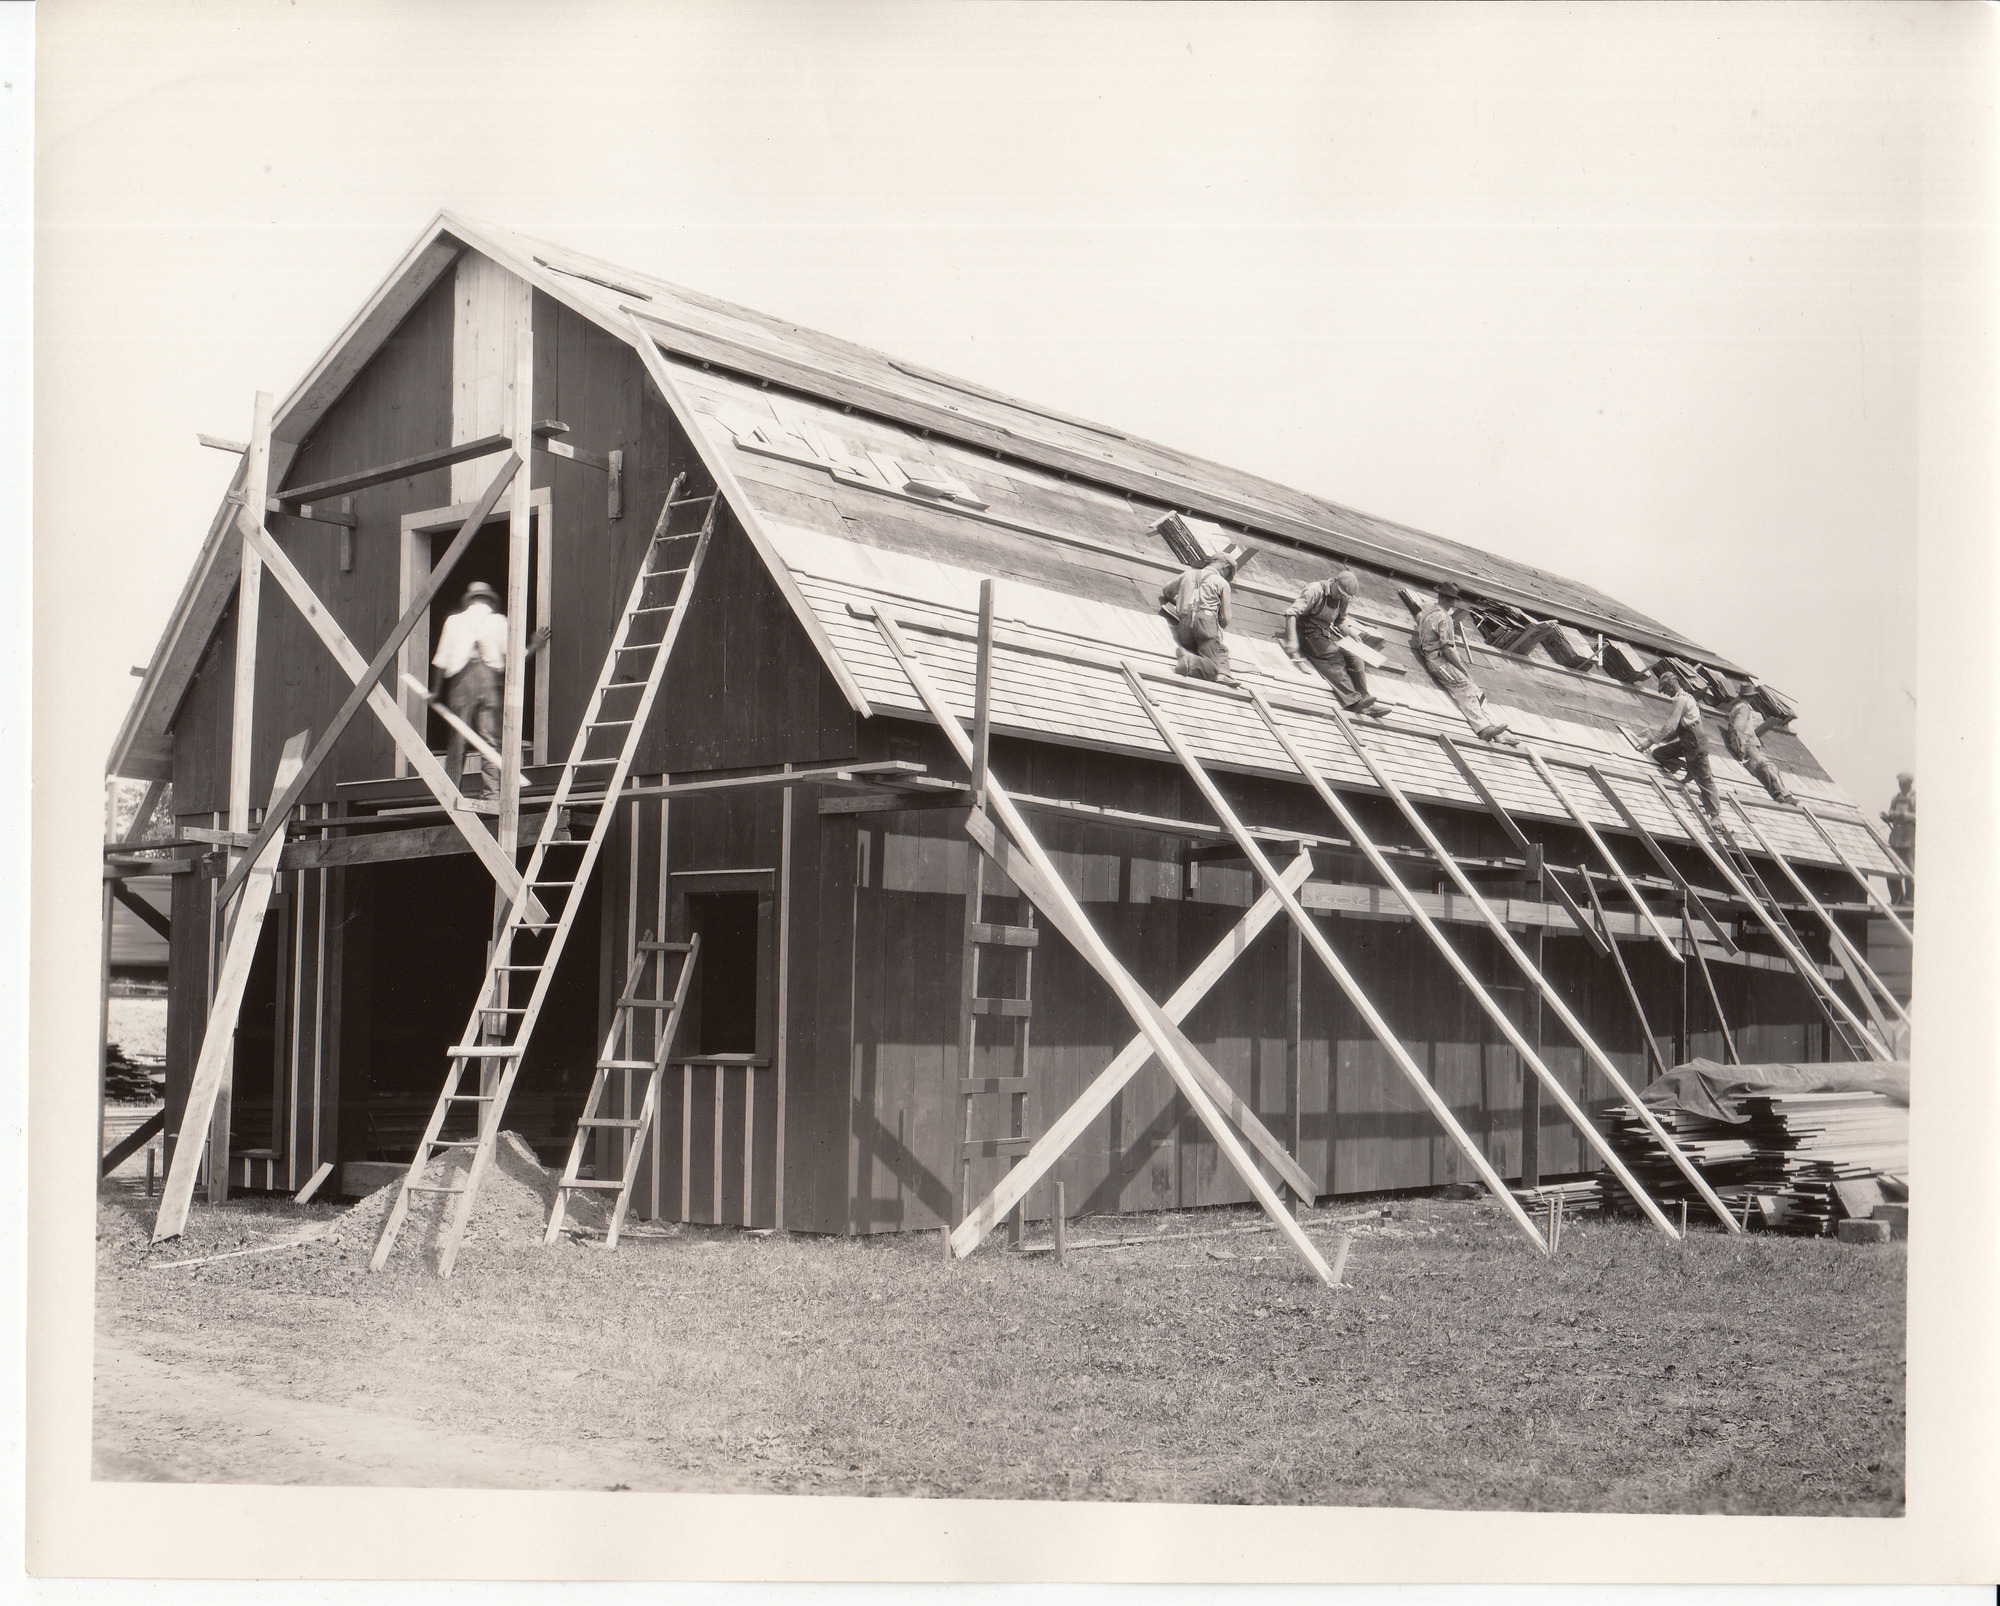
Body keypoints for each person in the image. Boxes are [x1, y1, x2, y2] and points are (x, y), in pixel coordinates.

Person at [429, 580, 508, 799]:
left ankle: (450, 793)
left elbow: (441, 659)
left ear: (470, 600)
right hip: (489, 681)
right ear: (490, 601)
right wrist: (535, 645)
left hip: (462, 682)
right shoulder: (499, 621)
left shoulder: (454, 621)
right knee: (491, 740)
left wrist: (435, 691)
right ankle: (492, 794)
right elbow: (514, 657)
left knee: (458, 738)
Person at [1283, 568, 1387, 717]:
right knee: (1334, 658)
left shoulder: (1343, 599)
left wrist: (1350, 632)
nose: (1340, 596)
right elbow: (1291, 613)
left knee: (1355, 659)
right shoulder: (1315, 590)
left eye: (1343, 595)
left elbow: (1340, 622)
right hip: (1307, 630)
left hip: (1326, 632)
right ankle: (1353, 702)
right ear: (1334, 581)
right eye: (1339, 592)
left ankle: (1365, 699)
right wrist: (1292, 640)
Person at [1415, 582, 1510, 741]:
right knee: (1465, 686)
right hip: (1438, 661)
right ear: (1452, 600)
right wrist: (1464, 670)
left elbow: (1420, 620)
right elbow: (1448, 649)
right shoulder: (1444, 618)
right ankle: (1482, 729)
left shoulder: (1428, 609)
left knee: (1475, 689)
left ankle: (1501, 734)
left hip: (1435, 656)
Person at [1644, 668, 1720, 817]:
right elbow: (1677, 730)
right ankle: (1687, 768)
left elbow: (1670, 725)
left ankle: (1715, 815)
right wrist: (1662, 740)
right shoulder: (1686, 698)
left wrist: (1650, 741)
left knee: (1705, 780)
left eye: (1664, 689)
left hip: (1696, 744)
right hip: (1687, 742)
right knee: (1660, 753)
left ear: (1671, 685)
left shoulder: (1681, 700)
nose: (1664, 693)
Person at [1159, 553, 1239, 686]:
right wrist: (1215, 631)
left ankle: (1221, 674)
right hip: (1205, 623)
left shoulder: (1188, 574)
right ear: (1226, 568)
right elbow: (1226, 618)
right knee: (1214, 665)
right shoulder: (1222, 583)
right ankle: (1191, 662)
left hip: (1184, 626)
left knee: (1218, 650)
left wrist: (1180, 601)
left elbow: (1166, 590)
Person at [1722, 681, 1795, 803]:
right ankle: (1783, 794)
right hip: (1747, 744)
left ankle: (1778, 793)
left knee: (1762, 767)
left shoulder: (1738, 707)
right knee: (1767, 765)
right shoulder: (1744, 708)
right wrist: (1742, 747)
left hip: (1745, 743)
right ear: (1751, 697)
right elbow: (1738, 728)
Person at [1881, 773, 1915, 903]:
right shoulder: (1896, 798)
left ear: (1909, 784)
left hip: (1909, 838)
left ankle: (1910, 899)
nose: (1901, 787)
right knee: (1892, 867)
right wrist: (1887, 817)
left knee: (1909, 869)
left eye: (1903, 784)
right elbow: (1891, 813)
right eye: (1900, 784)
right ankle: (1896, 898)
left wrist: (1904, 815)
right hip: (1896, 838)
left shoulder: (1915, 798)